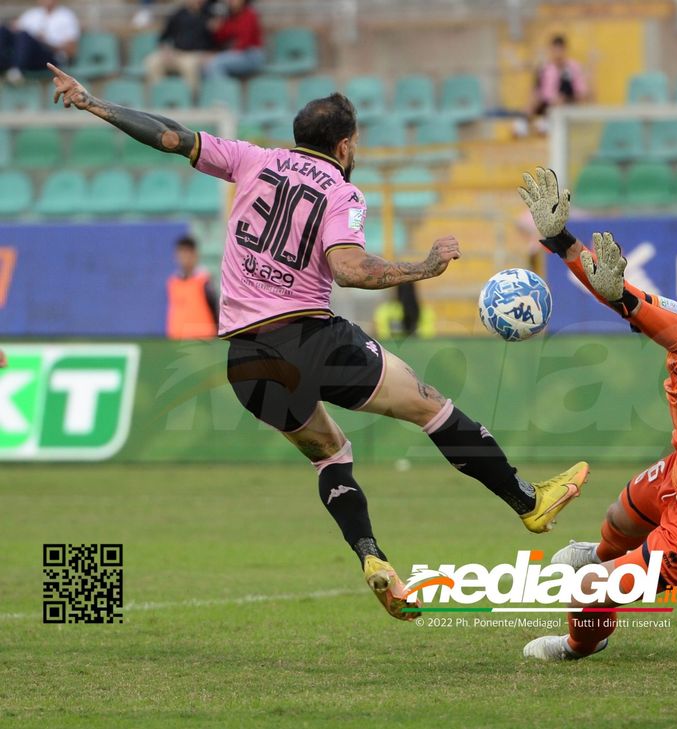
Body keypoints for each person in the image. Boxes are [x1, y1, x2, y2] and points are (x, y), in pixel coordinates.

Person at [48, 64, 588, 622]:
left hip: (247, 362)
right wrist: (422, 267)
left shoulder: (249, 158)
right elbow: (350, 269)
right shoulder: (341, 191)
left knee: (332, 455)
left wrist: (94, 104)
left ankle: (372, 556)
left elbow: (167, 135)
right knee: (430, 408)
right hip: (310, 337)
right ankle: (529, 502)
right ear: (346, 144)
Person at [517, 169, 677, 660]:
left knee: (592, 589)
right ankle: (598, 555)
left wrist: (626, 301)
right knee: (620, 514)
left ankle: (579, 646)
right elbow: (618, 291)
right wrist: (560, 241)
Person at [0, 0, 79, 85]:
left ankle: (16, 70)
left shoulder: (66, 16)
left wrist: (44, 42)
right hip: (28, 57)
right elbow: (14, 30)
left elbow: (71, 51)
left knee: (24, 36)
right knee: (3, 30)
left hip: (51, 59)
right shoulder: (31, 14)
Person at [144, 0, 216, 92]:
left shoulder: (210, 14)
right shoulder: (177, 14)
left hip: (196, 55)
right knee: (152, 61)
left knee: (189, 66)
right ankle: (159, 95)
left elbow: (217, 40)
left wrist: (211, 52)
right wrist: (166, 50)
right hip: (176, 53)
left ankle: (191, 100)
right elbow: (163, 38)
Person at [167, 235, 219, 339]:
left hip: (203, 340)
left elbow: (215, 309)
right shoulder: (172, 282)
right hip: (177, 341)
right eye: (181, 253)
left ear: (195, 255)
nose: (184, 258)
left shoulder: (204, 281)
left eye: (187, 253)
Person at [531, 35, 588, 123]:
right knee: (536, 100)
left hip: (569, 103)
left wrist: (568, 99)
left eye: (560, 50)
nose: (558, 53)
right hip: (549, 106)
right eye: (555, 50)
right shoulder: (546, 68)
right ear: (551, 50)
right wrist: (554, 99)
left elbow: (581, 90)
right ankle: (529, 121)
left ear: (565, 50)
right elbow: (543, 92)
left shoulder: (574, 67)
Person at [203, 0, 263, 79]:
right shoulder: (230, 16)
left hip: (251, 55)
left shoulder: (249, 14)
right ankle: (226, 89)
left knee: (215, 64)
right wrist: (217, 28)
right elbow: (222, 37)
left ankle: (225, 91)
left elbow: (244, 43)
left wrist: (217, 56)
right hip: (235, 54)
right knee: (204, 67)